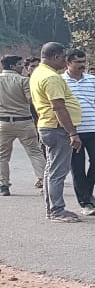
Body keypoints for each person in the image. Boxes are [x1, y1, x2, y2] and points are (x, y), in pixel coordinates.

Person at [29, 43, 84, 222]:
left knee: (50, 170)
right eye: (63, 57)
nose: (65, 61)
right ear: (54, 57)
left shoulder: (38, 72)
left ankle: (51, 208)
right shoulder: (51, 78)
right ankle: (57, 210)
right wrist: (72, 133)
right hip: (56, 128)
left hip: (47, 126)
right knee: (57, 172)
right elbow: (59, 107)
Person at [61, 49, 95, 216]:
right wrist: (70, 132)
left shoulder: (92, 80)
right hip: (74, 131)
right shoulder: (60, 81)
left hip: (94, 128)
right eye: (78, 62)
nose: (82, 65)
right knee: (77, 168)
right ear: (68, 63)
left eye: (83, 62)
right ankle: (85, 203)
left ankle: (87, 192)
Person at [0, 55, 46, 196]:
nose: (22, 66)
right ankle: (45, 182)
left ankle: (3, 185)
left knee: (2, 156)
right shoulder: (24, 81)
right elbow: (31, 100)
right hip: (24, 121)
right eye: (20, 64)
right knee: (35, 152)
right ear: (13, 66)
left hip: (3, 122)